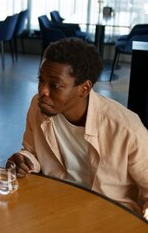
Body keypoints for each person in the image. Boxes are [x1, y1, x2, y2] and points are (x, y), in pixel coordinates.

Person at [9, 37, 148, 219]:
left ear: (84, 88)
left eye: (55, 85)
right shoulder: (38, 105)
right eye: (41, 80)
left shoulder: (126, 128)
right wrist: (24, 160)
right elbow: (32, 151)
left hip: (109, 218)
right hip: (55, 209)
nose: (42, 91)